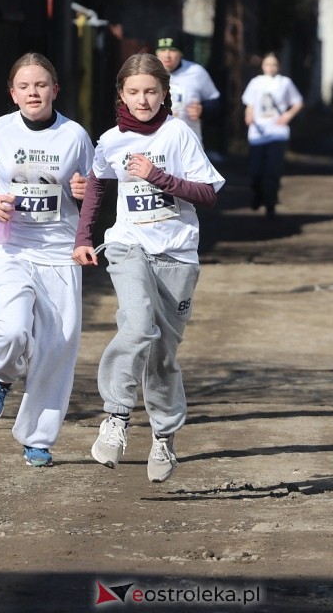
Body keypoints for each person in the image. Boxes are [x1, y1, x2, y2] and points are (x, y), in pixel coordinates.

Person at [72, 53, 225, 483]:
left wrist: (159, 177)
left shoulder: (179, 134)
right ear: (120, 93)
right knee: (137, 325)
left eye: (151, 92)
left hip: (177, 254)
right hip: (128, 246)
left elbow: (208, 195)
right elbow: (97, 189)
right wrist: (84, 239)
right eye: (134, 92)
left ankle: (164, 436)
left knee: (162, 356)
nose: (143, 100)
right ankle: (116, 418)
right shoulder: (110, 140)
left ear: (164, 94)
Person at [0, 52, 94, 468]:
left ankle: (37, 438)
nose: (33, 92)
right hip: (11, 247)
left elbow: (96, 190)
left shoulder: (74, 135)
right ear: (13, 93)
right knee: (12, 328)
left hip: (59, 251)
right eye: (24, 86)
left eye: (41, 85)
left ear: (55, 90)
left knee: (58, 346)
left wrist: (84, 190)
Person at [242, 51, 304, 218]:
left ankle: (270, 203)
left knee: (272, 170)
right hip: (258, 133)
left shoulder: (285, 83)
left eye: (274, 64)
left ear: (279, 66)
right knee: (255, 171)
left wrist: (288, 116)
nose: (270, 67)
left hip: (277, 133)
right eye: (268, 64)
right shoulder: (256, 82)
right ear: (263, 66)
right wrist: (248, 114)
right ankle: (257, 194)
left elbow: (297, 102)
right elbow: (250, 102)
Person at [155, 31, 221, 146]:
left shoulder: (196, 71)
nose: (167, 55)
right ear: (156, 53)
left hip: (189, 145)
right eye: (162, 50)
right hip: (157, 144)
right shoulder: (148, 73)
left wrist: (202, 110)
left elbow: (215, 101)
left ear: (181, 53)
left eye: (173, 50)